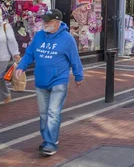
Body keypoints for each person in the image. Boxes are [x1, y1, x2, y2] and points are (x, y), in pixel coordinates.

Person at [15, 9, 84, 157]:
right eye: (44, 20)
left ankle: (50, 143)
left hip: (58, 81)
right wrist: (21, 66)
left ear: (57, 22)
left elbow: (74, 59)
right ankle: (49, 138)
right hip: (41, 81)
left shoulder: (67, 39)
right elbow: (30, 54)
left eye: (48, 21)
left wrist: (79, 76)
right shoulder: (39, 36)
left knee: (53, 112)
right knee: (44, 114)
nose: (44, 23)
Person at [1, 17, 20, 104]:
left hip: (3, 57)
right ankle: (5, 94)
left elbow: (12, 40)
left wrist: (15, 53)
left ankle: (5, 94)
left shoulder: (5, 26)